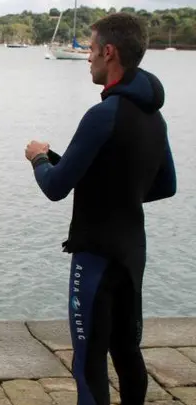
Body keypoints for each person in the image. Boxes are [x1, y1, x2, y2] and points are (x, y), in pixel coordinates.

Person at [24, 13, 176, 405]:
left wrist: (40, 158)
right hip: (132, 253)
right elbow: (165, 185)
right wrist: (115, 193)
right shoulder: (154, 118)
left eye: (91, 50)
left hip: (95, 257)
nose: (88, 58)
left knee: (89, 362)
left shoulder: (102, 115)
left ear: (109, 53)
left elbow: (56, 187)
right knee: (127, 353)